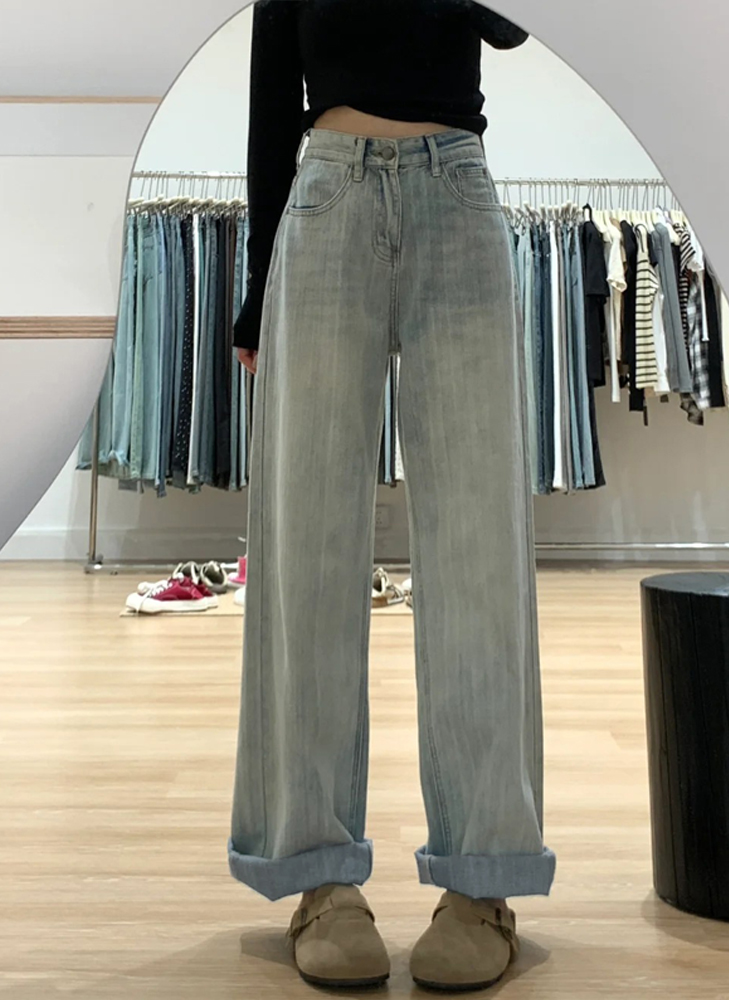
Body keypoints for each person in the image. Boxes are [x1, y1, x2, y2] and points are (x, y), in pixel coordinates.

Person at [229, 0, 556, 991]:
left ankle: (482, 882)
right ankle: (318, 877)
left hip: (456, 190)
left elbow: (512, 26)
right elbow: (270, 99)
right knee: (308, 549)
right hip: (326, 195)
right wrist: (257, 285)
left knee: (478, 553)